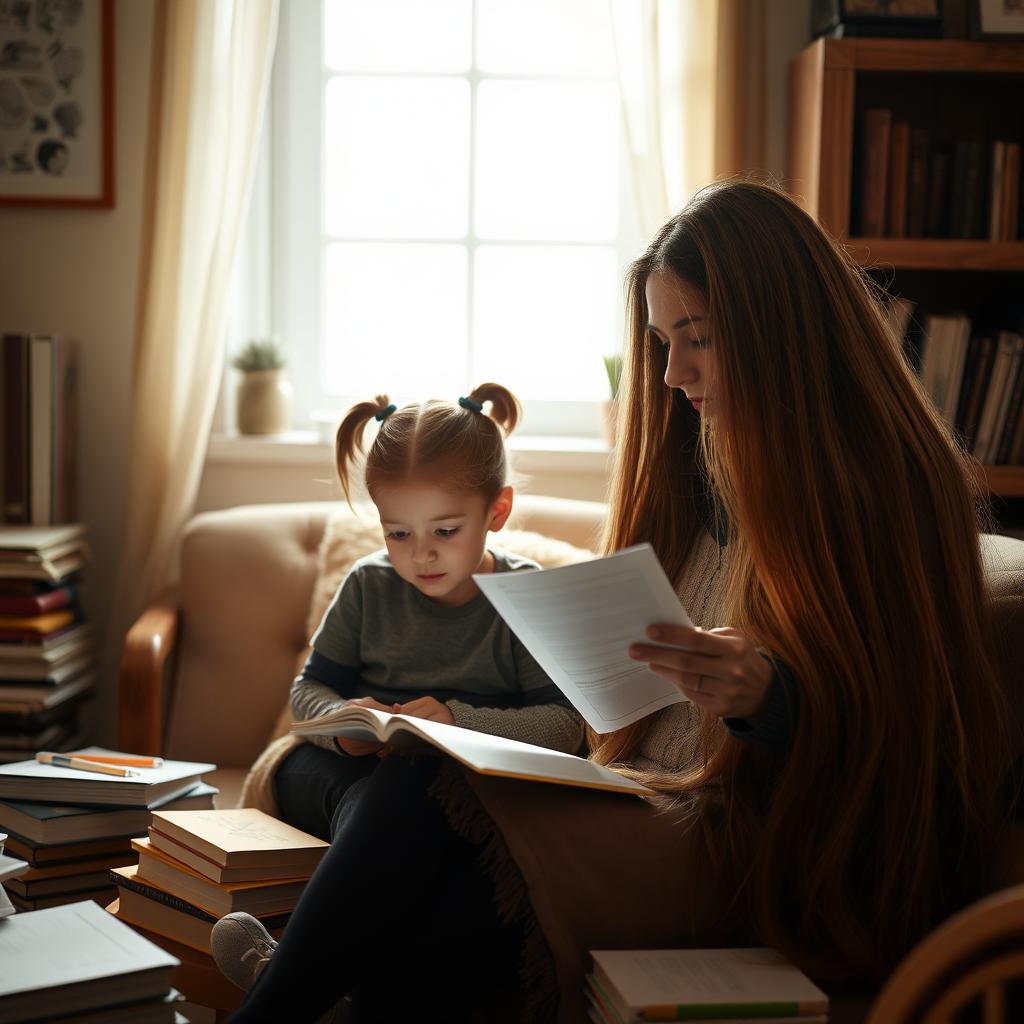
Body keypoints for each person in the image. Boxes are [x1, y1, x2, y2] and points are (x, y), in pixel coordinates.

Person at [212, 181, 1012, 1024]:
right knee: (426, 839)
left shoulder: (884, 493)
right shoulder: (698, 466)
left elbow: (911, 737)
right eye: (664, 342)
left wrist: (770, 698)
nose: (672, 374)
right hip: (631, 792)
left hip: (737, 839)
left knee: (419, 798)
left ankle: (280, 1002)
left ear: (779, 331)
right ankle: (316, 997)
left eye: (697, 339)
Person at [257, 382, 584, 848]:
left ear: (498, 510)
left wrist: (457, 722)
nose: (422, 556)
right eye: (398, 534)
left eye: (446, 531)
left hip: (468, 776)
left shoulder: (523, 595)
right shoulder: (369, 584)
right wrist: (343, 723)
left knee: (418, 800)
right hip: (348, 768)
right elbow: (306, 691)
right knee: (378, 795)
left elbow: (565, 726)